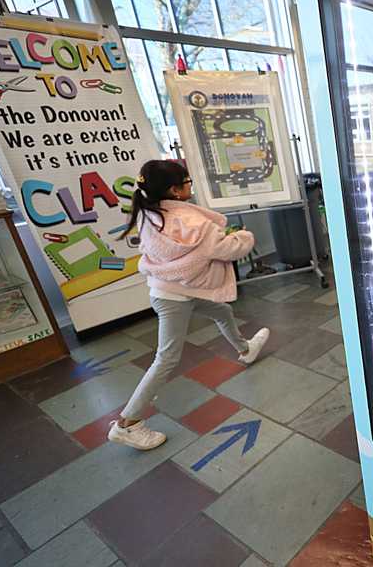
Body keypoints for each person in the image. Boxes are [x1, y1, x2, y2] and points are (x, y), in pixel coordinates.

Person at [108, 160, 270, 451]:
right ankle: (127, 424)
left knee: (222, 309)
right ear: (175, 190)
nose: (189, 187)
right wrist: (244, 236)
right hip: (174, 297)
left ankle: (245, 349)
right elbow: (227, 249)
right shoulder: (192, 222)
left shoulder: (149, 213)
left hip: (175, 289)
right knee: (166, 358)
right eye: (188, 183)